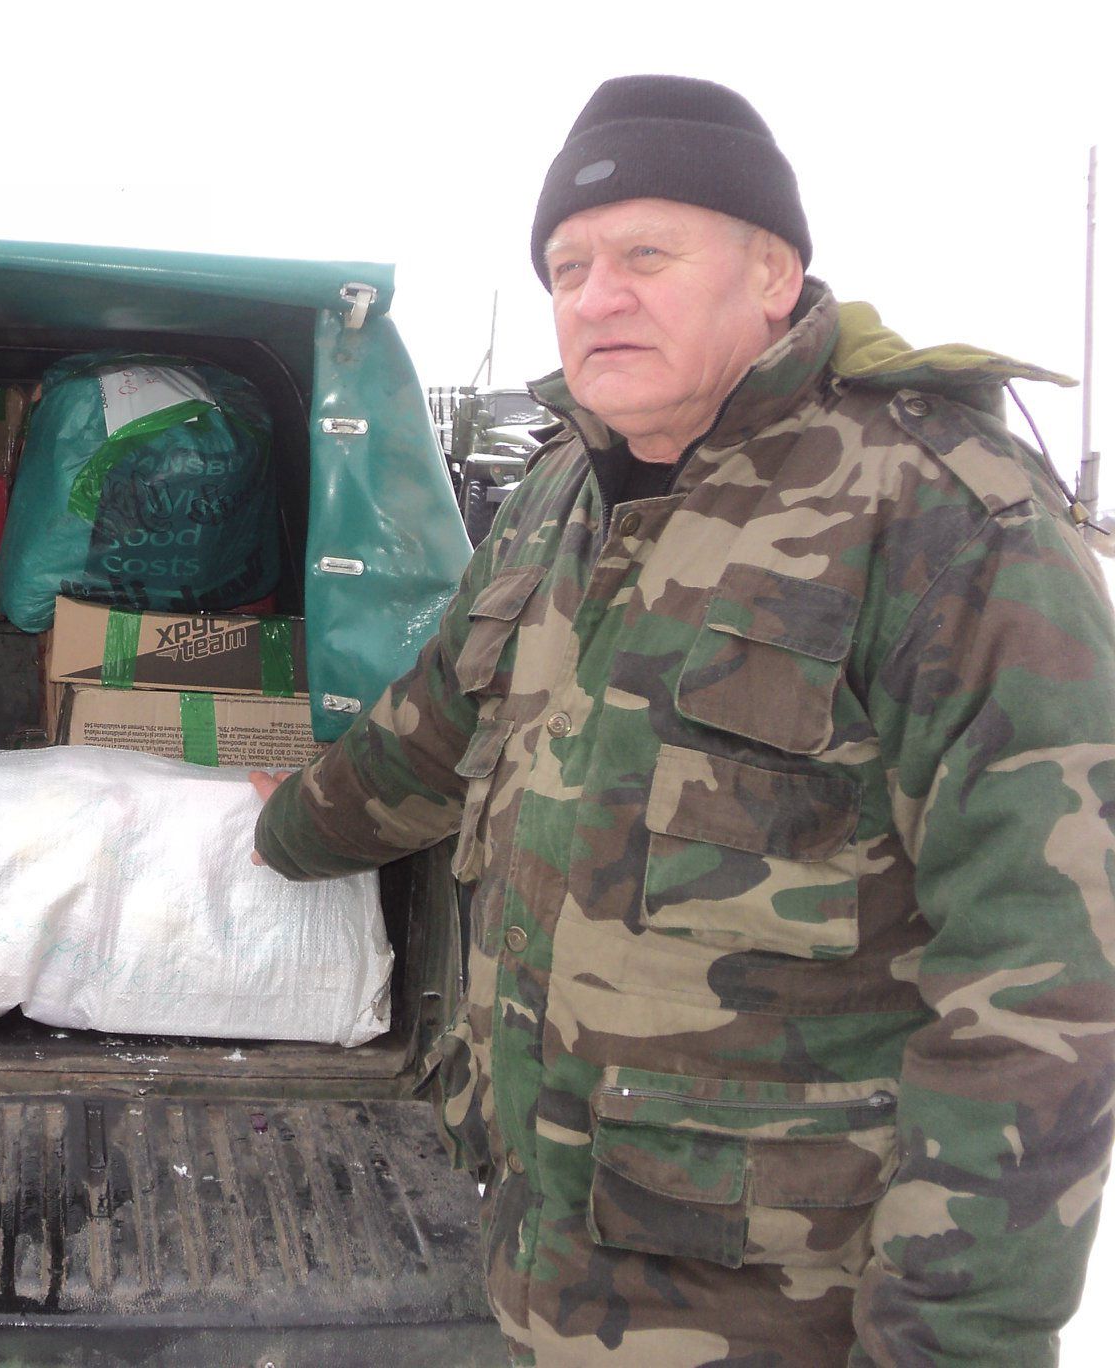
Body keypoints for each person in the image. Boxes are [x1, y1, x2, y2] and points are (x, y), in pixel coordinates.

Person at [252, 74, 1115, 1365]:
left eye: (645, 255)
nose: (596, 296)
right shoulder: (556, 500)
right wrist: (247, 844)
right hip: (545, 1274)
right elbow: (420, 745)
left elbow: (1048, 977)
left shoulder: (943, 516)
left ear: (773, 273)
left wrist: (950, 1343)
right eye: (568, 265)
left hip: (786, 1313)